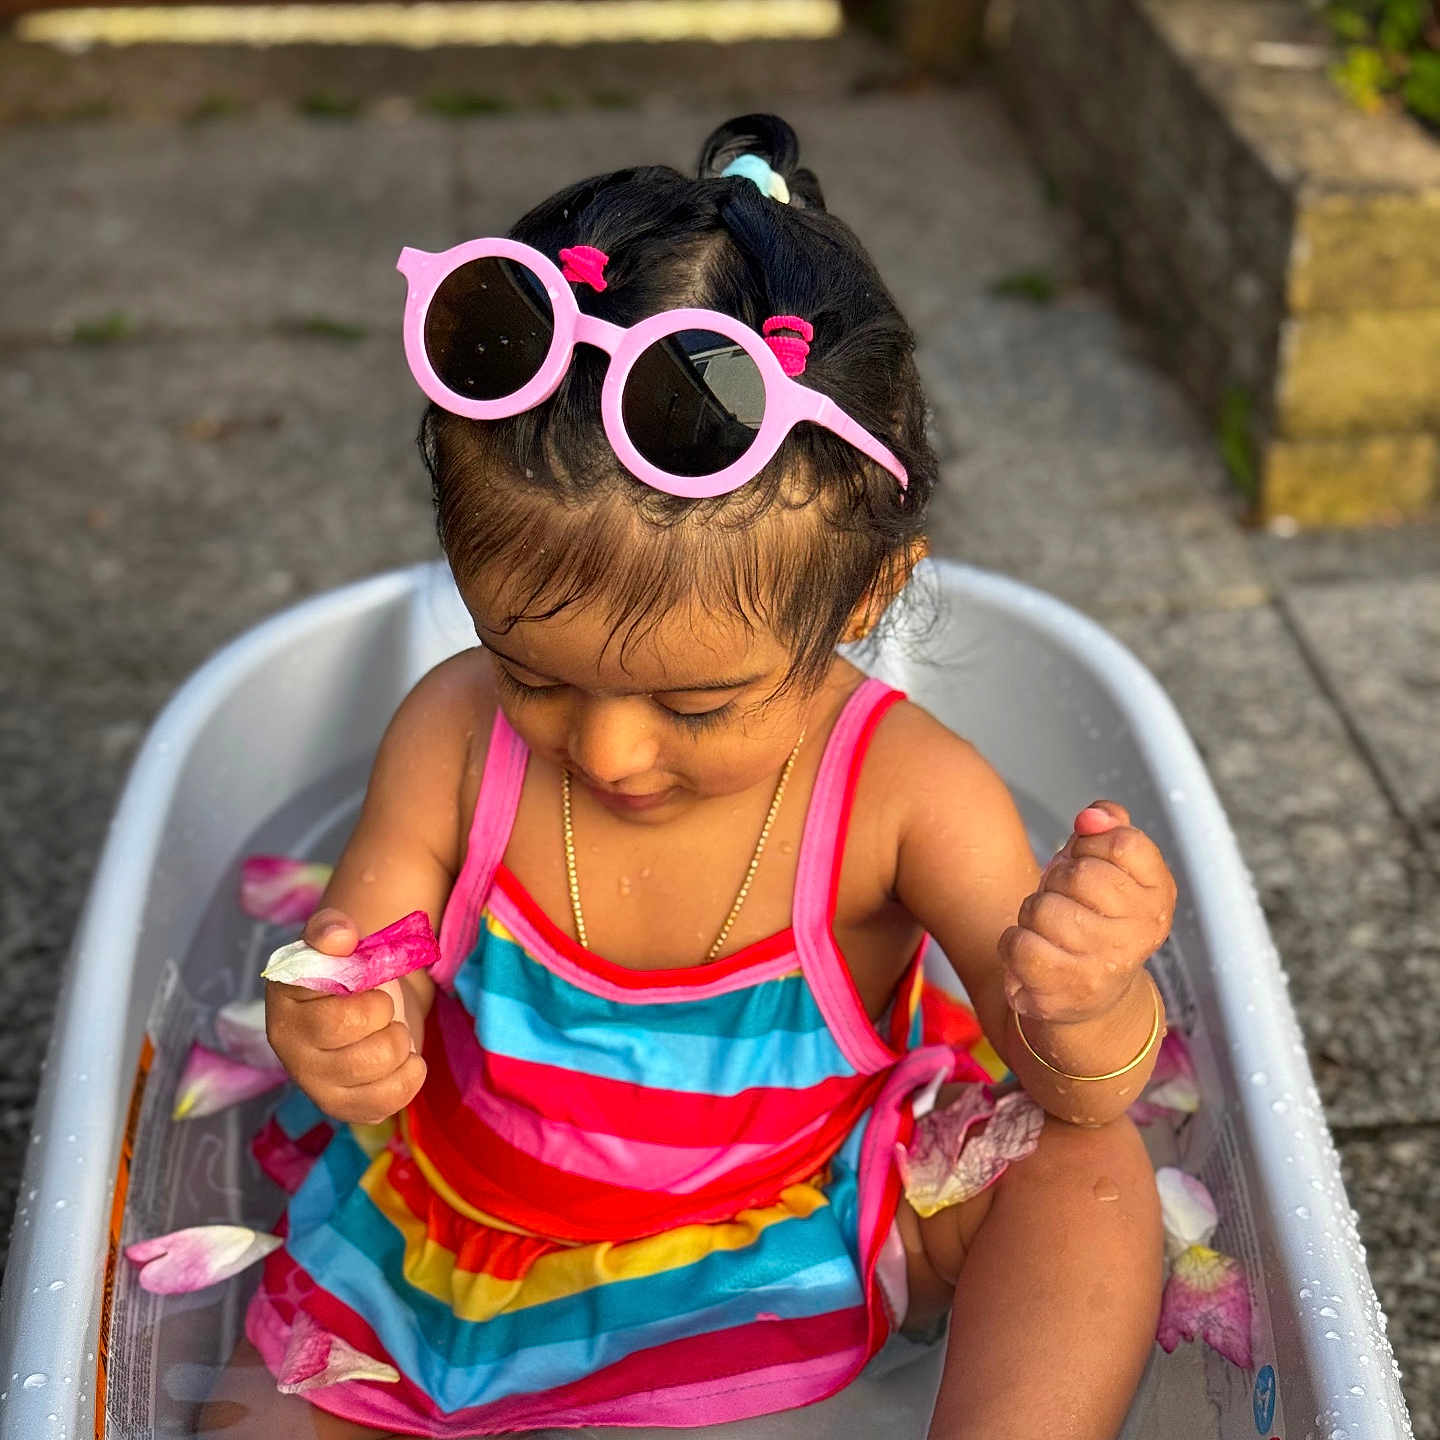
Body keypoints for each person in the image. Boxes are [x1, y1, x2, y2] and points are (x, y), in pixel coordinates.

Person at [201, 114, 1174, 1440]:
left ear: (870, 595)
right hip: (487, 1238)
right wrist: (337, 1029)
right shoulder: (448, 733)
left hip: (816, 1201)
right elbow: (366, 955)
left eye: (698, 702)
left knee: (1090, 1173)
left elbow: (1086, 1089)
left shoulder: (906, 794)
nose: (607, 752)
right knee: (260, 1416)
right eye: (532, 670)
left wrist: (1089, 996)